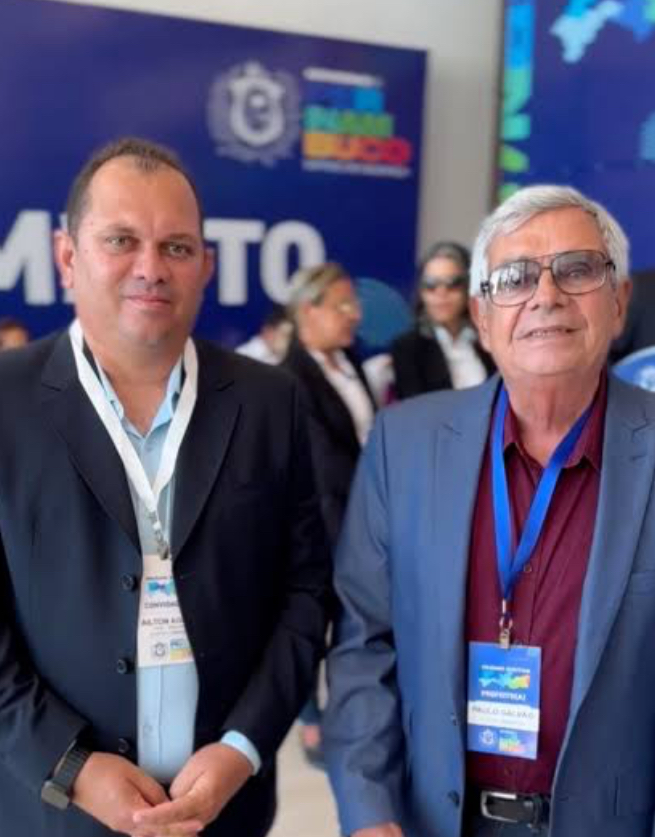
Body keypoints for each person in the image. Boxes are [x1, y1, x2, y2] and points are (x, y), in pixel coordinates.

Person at [0, 137, 330, 837]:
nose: (151, 268)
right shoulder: (6, 402)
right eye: (121, 240)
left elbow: (305, 590)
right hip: (52, 810)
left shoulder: (270, 402)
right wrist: (69, 764)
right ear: (67, 256)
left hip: (224, 809)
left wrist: (244, 745)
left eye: (176, 247)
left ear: (205, 266)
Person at [323, 185, 655, 837]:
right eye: (515, 277)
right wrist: (369, 810)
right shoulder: (403, 445)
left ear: (618, 302)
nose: (545, 295)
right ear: (481, 313)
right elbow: (364, 644)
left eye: (576, 270)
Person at [283, 263, 376, 765]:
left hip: (361, 514)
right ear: (308, 311)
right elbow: (326, 470)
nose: (354, 314)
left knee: (353, 627)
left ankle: (349, 712)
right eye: (342, 305)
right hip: (323, 526)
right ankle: (312, 724)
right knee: (311, 626)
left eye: (353, 304)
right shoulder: (292, 378)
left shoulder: (348, 361)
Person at [391, 241, 494, 398]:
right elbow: (415, 406)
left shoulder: (487, 338)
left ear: (468, 287)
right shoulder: (407, 348)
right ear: (421, 292)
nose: (441, 293)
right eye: (430, 285)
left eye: (453, 284)